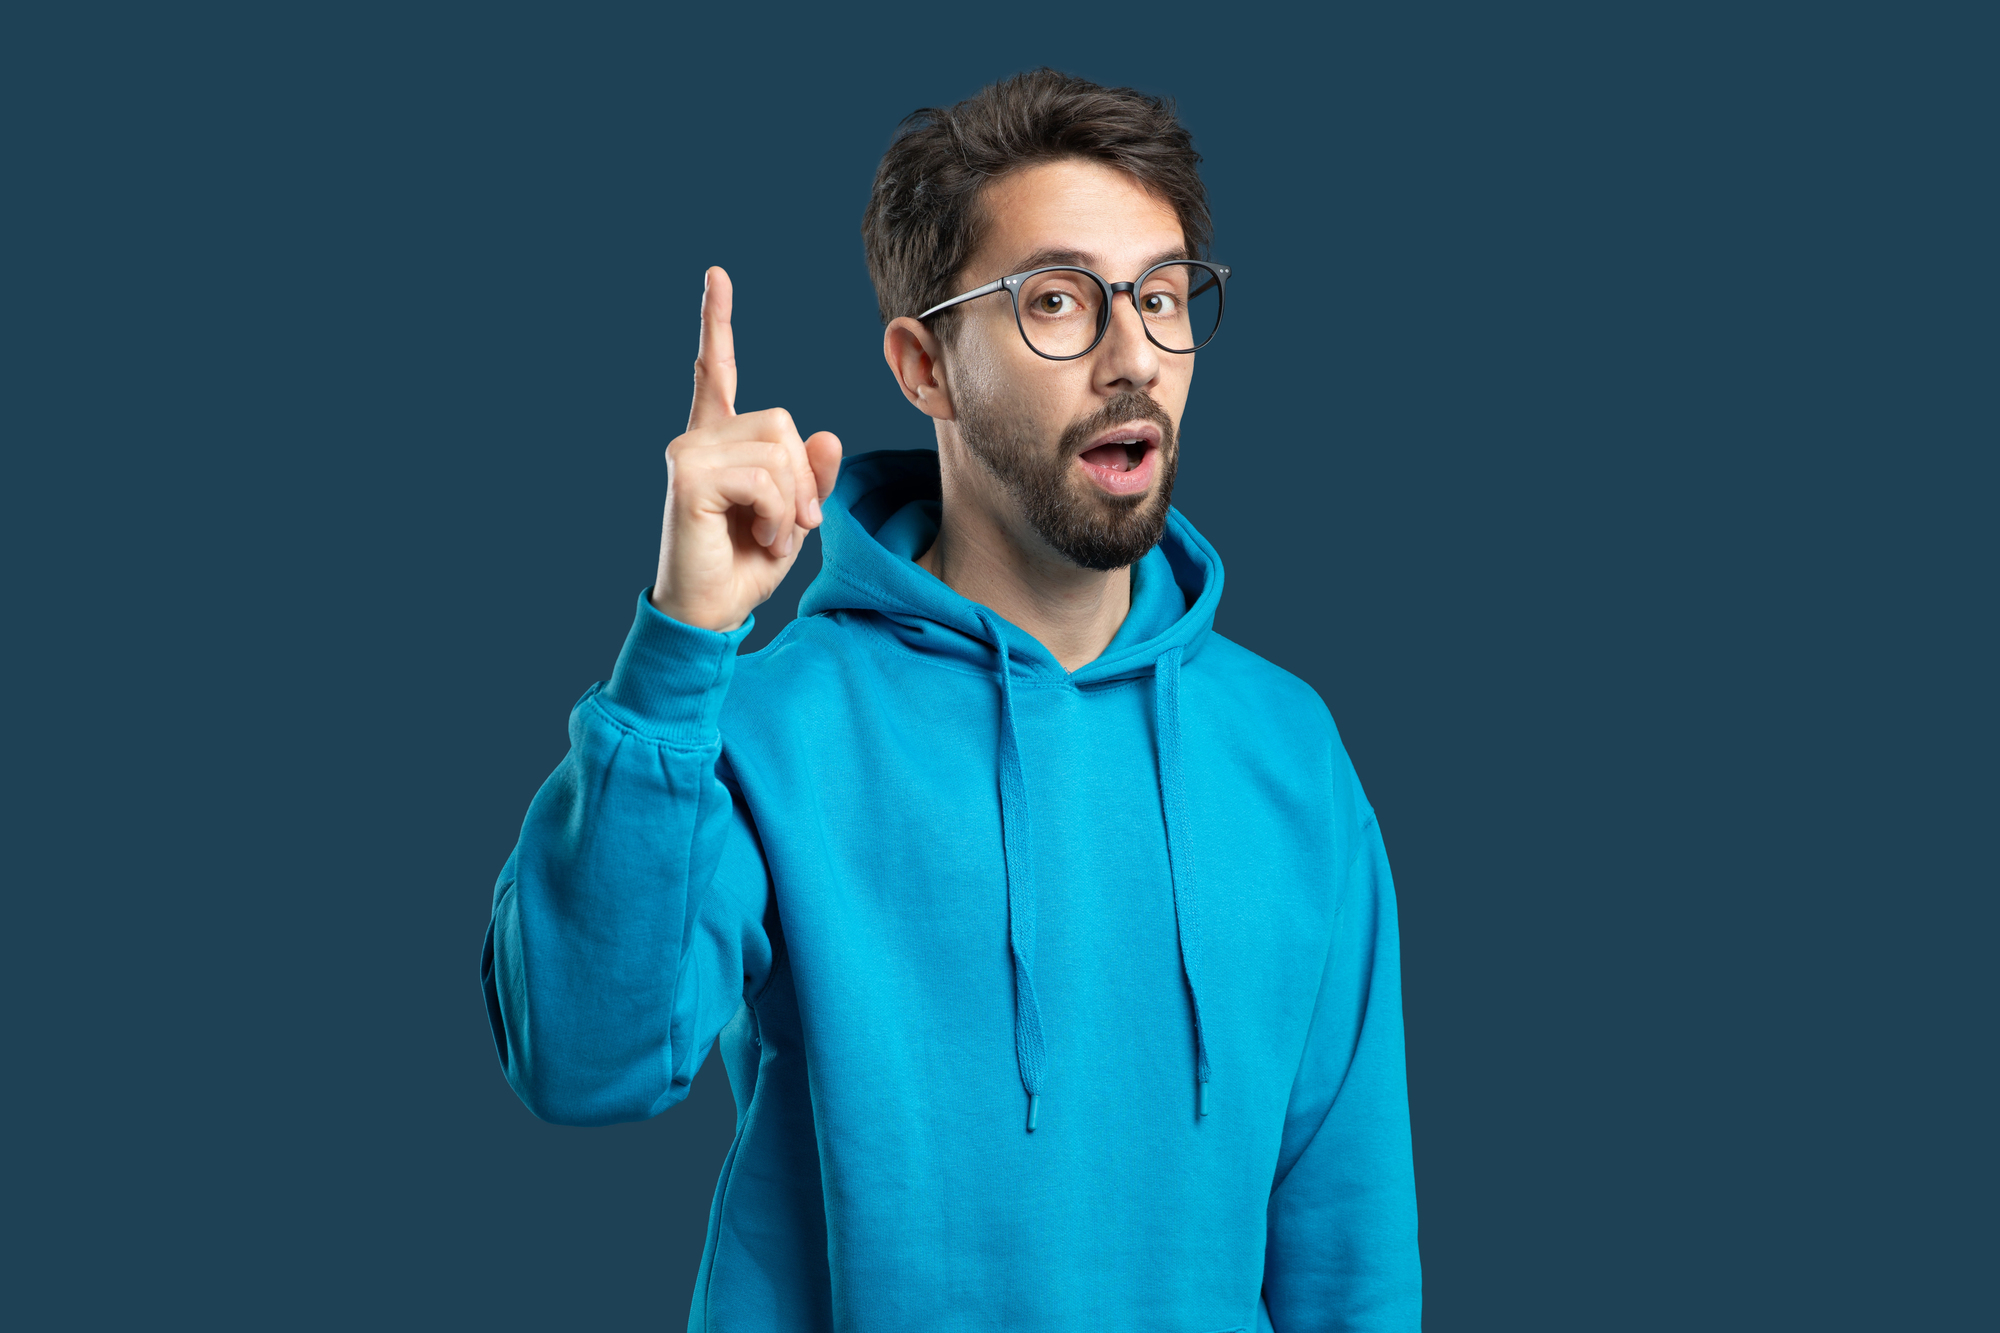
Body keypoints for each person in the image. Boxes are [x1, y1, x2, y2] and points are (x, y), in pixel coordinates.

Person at [483, 69, 1420, 1332]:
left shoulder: (1290, 751)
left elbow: (1346, 1255)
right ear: (923, 364)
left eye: (1159, 296)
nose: (1132, 354)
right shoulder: (767, 726)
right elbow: (583, 1061)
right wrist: (681, 643)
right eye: (1056, 303)